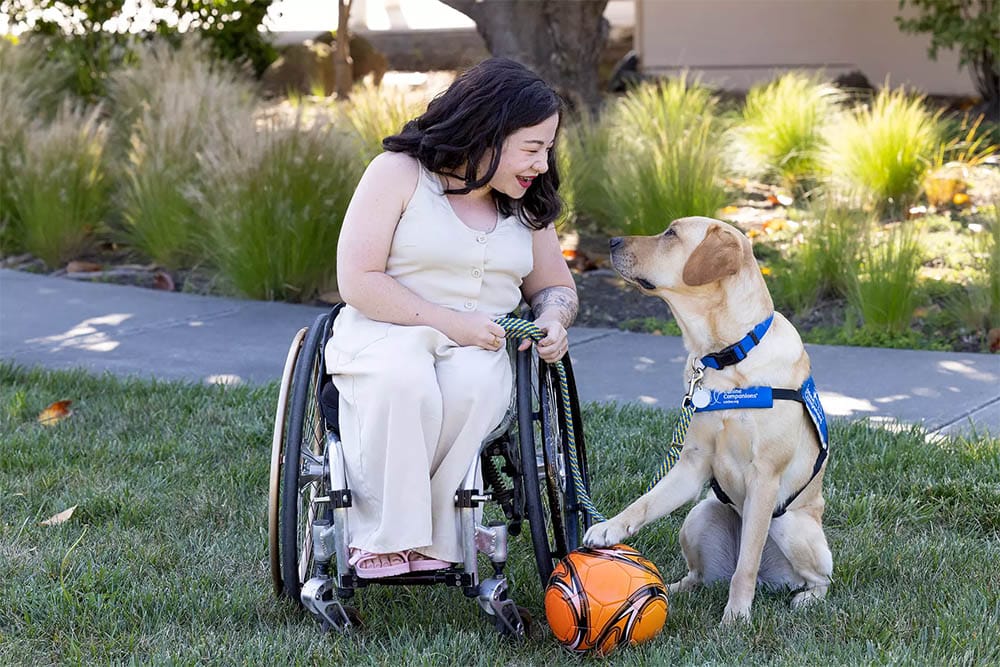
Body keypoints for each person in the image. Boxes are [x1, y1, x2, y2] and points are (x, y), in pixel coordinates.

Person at [326, 57, 578, 578]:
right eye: (532, 148)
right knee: (404, 378)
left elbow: (555, 287)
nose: (541, 163)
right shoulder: (398, 175)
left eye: (548, 148)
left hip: (476, 345)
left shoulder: (526, 204)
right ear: (487, 132)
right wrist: (447, 322)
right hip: (384, 331)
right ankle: (382, 537)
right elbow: (359, 279)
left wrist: (554, 317)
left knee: (472, 386)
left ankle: (439, 538)